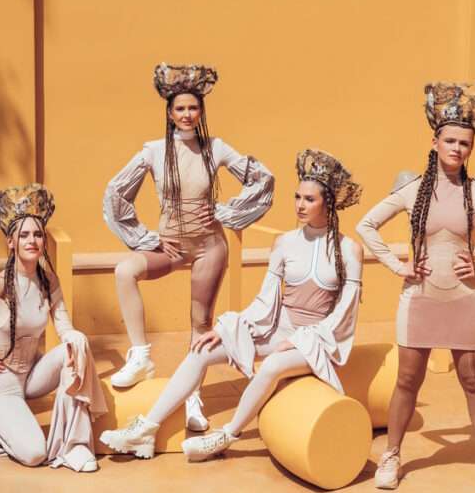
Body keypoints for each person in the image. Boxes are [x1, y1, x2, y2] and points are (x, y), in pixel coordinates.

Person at [101, 150, 363, 460]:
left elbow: (345, 314)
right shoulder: (284, 243)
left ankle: (226, 435)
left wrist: (297, 341)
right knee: (201, 349)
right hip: (278, 331)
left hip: (317, 341)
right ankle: (147, 428)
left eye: (309, 199)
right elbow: (265, 300)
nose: (299, 205)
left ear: (328, 203)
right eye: (297, 197)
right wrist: (227, 328)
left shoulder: (350, 250)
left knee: (273, 365)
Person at [357, 82, 475, 493]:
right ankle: (392, 455)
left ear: (471, 149)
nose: (457, 148)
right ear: (435, 142)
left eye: (464, 143)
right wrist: (398, 265)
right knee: (407, 380)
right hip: (419, 298)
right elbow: (366, 225)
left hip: (465, 300)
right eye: (450, 140)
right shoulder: (411, 188)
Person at [102, 62, 274, 431]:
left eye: (193, 108)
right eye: (180, 108)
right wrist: (148, 238)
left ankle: (193, 400)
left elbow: (262, 179)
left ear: (201, 111)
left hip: (209, 246)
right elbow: (116, 193)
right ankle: (141, 355)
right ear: (169, 113)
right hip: (172, 246)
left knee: (200, 325)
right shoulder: (153, 151)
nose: (186, 114)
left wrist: (226, 211)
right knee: (125, 271)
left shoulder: (215, 148)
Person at [0, 183, 106, 472]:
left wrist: (75, 339)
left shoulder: (49, 281)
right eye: (24, 235)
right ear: (11, 242)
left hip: (33, 375)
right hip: (2, 384)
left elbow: (64, 327)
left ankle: (74, 446)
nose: (32, 240)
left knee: (76, 346)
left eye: (37, 234)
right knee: (35, 453)